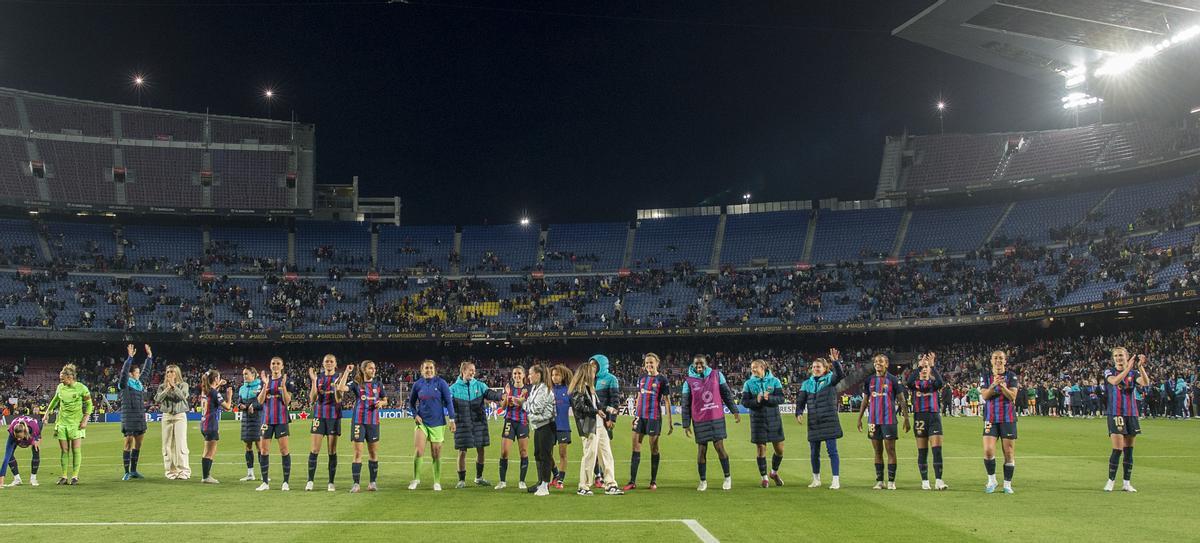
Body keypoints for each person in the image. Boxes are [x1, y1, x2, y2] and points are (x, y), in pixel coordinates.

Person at [681, 354, 741, 491]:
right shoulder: (688, 381)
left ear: (706, 363)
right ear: (693, 365)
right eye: (696, 364)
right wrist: (686, 424)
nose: (699, 366)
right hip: (699, 419)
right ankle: (702, 481)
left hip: (716, 417)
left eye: (701, 363)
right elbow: (685, 404)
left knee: (719, 447)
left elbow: (726, 394)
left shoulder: (717, 375)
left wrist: (735, 411)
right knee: (702, 450)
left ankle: (727, 478)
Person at [794, 349, 845, 490]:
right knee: (814, 452)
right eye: (814, 367)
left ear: (825, 369)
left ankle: (835, 480)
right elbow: (801, 400)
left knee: (832, 451)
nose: (815, 369)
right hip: (814, 421)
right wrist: (798, 412)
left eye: (818, 367)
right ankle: (816, 479)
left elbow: (840, 375)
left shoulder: (830, 379)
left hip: (829, 419)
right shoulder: (806, 383)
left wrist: (835, 361)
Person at [857, 353, 908, 490]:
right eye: (876, 362)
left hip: (889, 419)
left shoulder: (893, 380)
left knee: (890, 450)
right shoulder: (869, 380)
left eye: (881, 362)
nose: (877, 364)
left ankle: (891, 481)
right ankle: (880, 481)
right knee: (877, 451)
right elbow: (865, 400)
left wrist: (906, 418)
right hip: (873, 420)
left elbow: (902, 400)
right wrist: (860, 417)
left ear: (886, 364)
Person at [569, 361, 621, 496]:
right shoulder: (579, 389)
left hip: (599, 425)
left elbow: (597, 406)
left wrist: (608, 409)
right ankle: (584, 486)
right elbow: (579, 407)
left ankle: (610, 484)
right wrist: (596, 412)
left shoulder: (590, 388)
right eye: (592, 372)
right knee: (590, 455)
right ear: (586, 373)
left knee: (606, 454)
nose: (594, 374)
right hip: (588, 425)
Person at [623, 353, 672, 492]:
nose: (649, 365)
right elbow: (639, 396)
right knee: (635, 448)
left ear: (657, 363)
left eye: (651, 362)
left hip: (653, 417)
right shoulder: (641, 378)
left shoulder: (662, 379)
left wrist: (670, 421)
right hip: (640, 417)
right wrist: (635, 415)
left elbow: (667, 400)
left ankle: (653, 481)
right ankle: (632, 481)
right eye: (646, 363)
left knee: (654, 448)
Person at [1103, 348, 1150, 492]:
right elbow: (1115, 381)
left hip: (1131, 414)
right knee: (1117, 449)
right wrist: (1129, 366)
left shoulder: (1133, 373)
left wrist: (1140, 367)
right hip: (1115, 413)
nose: (1118, 358)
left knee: (1129, 450)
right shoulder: (1109, 372)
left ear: (1127, 357)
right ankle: (1111, 481)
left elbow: (1145, 382)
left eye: (1121, 355)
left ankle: (1126, 482)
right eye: (1116, 356)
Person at [449, 361, 502, 489]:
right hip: (462, 423)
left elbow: (490, 394)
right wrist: (451, 420)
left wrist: (501, 395)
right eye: (470, 370)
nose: (473, 372)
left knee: (481, 449)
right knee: (462, 451)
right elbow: (446, 402)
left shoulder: (480, 385)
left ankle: (478, 478)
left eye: (474, 370)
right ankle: (461, 480)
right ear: (463, 371)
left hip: (479, 422)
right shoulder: (453, 389)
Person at [306, 354, 352, 492]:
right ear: (323, 363)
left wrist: (338, 387)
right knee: (314, 450)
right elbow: (312, 399)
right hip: (319, 416)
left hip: (334, 416)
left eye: (331, 361)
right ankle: (310, 481)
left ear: (335, 364)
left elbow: (338, 400)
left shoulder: (339, 377)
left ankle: (331, 482)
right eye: (327, 361)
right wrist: (313, 381)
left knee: (332, 451)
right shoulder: (318, 377)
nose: (329, 363)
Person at [408, 359, 455, 491]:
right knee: (419, 451)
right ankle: (416, 479)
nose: (428, 370)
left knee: (436, 453)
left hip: (438, 423)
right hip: (422, 422)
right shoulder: (418, 385)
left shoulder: (441, 383)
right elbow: (411, 404)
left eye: (430, 368)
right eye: (426, 368)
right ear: (422, 370)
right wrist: (415, 415)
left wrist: (452, 420)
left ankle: (437, 482)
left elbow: (449, 402)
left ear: (434, 370)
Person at [43, 363, 92, 485]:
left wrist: (85, 419)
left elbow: (90, 405)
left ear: (70, 377)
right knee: (64, 450)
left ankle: (75, 476)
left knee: (76, 450)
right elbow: (55, 401)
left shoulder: (82, 388)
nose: (61, 381)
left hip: (76, 423)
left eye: (62, 379)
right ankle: (64, 476)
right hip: (62, 423)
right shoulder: (60, 387)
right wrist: (47, 413)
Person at [906, 352, 947, 491]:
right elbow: (908, 382)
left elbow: (941, 382)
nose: (924, 369)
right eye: (922, 368)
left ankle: (939, 480)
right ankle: (925, 481)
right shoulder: (915, 384)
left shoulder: (934, 384)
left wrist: (933, 366)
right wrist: (918, 367)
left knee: (937, 450)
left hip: (934, 417)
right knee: (922, 452)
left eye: (926, 367)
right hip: (920, 418)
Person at [742, 358, 785, 488]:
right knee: (761, 449)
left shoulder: (775, 381)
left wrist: (769, 398)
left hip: (774, 419)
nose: (753, 370)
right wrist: (757, 400)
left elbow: (781, 398)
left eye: (756, 367)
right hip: (757, 419)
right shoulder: (748, 383)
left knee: (780, 450)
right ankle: (764, 478)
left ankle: (773, 472)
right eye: (752, 367)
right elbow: (745, 402)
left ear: (763, 368)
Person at [981, 350, 1019, 494]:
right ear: (991, 361)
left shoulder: (1011, 376)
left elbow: (1012, 396)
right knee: (988, 450)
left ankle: (1007, 484)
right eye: (995, 358)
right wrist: (993, 385)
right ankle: (992, 480)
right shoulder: (985, 376)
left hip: (1008, 418)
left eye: (1001, 358)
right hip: (990, 417)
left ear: (1005, 361)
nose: (998, 360)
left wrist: (1002, 386)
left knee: (1008, 452)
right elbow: (985, 395)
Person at [347, 360, 387, 493]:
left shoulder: (378, 384)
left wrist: (381, 403)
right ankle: (356, 484)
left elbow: (385, 399)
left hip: (373, 422)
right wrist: (347, 372)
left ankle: (372, 483)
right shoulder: (356, 384)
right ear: (364, 370)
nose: (373, 370)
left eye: (374, 368)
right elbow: (342, 389)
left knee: (373, 453)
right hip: (358, 421)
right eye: (370, 368)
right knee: (358, 453)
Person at [255, 357, 295, 491]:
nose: (275, 366)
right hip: (266, 420)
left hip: (281, 420)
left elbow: (287, 401)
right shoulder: (264, 381)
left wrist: (283, 386)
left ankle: (285, 482)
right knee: (264, 450)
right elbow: (260, 401)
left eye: (278, 364)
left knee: (284, 450)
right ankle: (265, 482)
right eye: (273, 364)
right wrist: (266, 385)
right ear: (270, 365)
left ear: (282, 366)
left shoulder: (287, 381)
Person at [117, 343, 154, 481]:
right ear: (131, 374)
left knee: (138, 443)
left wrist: (149, 357)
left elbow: (146, 372)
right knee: (128, 442)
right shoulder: (124, 384)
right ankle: (126, 471)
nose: (139, 374)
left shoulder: (139, 384)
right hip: (129, 417)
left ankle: (133, 470)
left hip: (139, 416)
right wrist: (129, 358)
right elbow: (123, 373)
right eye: (136, 373)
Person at [524, 364, 556, 496]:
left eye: (530, 373)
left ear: (538, 374)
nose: (529, 376)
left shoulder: (544, 389)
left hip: (546, 426)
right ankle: (540, 482)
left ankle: (545, 485)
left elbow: (536, 408)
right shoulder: (534, 388)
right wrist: (527, 405)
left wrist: (523, 405)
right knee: (538, 454)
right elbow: (531, 404)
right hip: (538, 426)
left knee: (545, 455)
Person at [495, 366, 529, 490]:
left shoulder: (528, 389)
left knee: (523, 452)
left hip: (522, 422)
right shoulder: (508, 388)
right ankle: (502, 481)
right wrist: (508, 396)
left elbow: (523, 403)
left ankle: (522, 481)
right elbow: (503, 407)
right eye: (515, 373)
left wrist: (514, 399)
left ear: (524, 375)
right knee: (504, 452)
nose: (517, 376)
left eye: (519, 373)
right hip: (509, 420)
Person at [155, 364, 190, 480]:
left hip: (180, 415)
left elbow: (182, 396)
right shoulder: (162, 387)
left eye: (172, 372)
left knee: (181, 444)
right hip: (166, 416)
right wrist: (167, 388)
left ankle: (183, 471)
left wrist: (174, 386)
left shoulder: (184, 385)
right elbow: (157, 399)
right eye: (168, 372)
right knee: (167, 446)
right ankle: (171, 471)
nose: (169, 374)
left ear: (177, 373)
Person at [591, 354, 620, 489]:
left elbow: (615, 401)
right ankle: (598, 475)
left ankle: (606, 477)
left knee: (604, 450)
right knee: (593, 450)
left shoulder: (611, 379)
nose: (592, 367)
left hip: (604, 419)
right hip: (592, 419)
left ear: (601, 365)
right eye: (591, 365)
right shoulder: (590, 379)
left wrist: (611, 419)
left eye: (595, 364)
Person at [199, 369, 232, 484]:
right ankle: (206, 476)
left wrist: (218, 385)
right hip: (211, 424)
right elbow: (227, 407)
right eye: (218, 377)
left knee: (206, 450)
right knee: (210, 452)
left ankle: (206, 475)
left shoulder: (204, 391)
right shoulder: (214, 392)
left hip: (203, 424)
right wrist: (229, 396)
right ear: (215, 379)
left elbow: (212, 392)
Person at [237, 367, 264, 482]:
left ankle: (264, 474)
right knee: (248, 446)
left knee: (260, 446)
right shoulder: (242, 388)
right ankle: (250, 474)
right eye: (243, 374)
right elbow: (239, 402)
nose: (244, 376)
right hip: (246, 418)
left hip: (257, 418)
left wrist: (255, 406)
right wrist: (240, 406)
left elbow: (263, 403)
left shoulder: (260, 386)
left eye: (246, 374)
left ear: (253, 374)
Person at [550, 364, 574, 489]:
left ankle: (560, 480)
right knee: (547, 453)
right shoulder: (549, 390)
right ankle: (555, 474)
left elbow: (576, 407)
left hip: (563, 426)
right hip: (549, 427)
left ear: (563, 376)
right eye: (553, 375)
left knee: (562, 454)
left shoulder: (569, 390)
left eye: (557, 375)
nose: (554, 377)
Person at [1, 415, 41, 488]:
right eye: (17, 437)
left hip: (33, 430)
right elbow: (6, 458)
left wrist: (38, 439)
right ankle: (17, 479)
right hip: (19, 429)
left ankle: (33, 479)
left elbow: (40, 427)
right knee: (9, 455)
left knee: (36, 449)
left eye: (20, 437)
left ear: (25, 432)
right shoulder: (12, 430)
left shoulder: (34, 427)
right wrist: (1, 481)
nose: (19, 440)